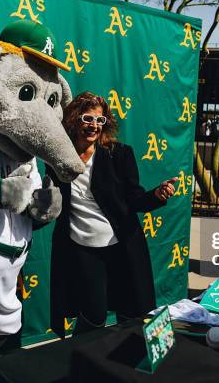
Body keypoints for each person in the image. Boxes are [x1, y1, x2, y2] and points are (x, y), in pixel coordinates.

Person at [48, 91, 178, 336]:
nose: (94, 126)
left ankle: (132, 365)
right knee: (93, 314)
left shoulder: (119, 154)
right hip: (81, 247)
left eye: (100, 120)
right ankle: (79, 364)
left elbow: (135, 198)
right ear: (75, 119)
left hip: (121, 245)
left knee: (133, 311)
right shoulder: (58, 158)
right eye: (88, 118)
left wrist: (157, 195)